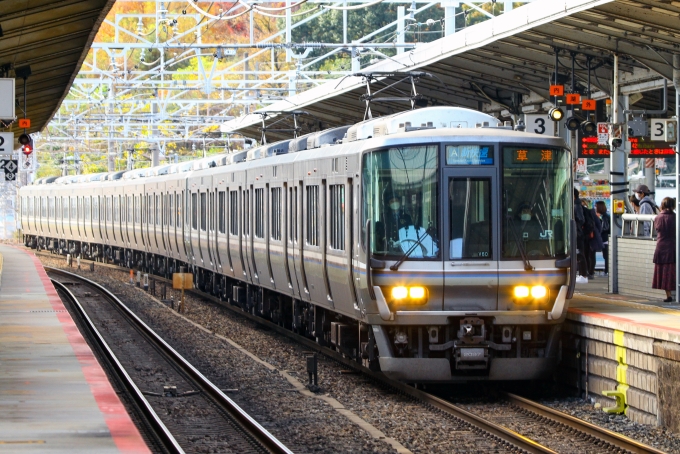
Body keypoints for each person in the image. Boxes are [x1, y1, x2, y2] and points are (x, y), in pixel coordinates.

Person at [652, 197, 676, 302]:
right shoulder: (676, 217)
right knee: (672, 271)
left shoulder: (658, 217)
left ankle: (669, 295)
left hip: (661, 246)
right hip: (673, 247)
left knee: (663, 272)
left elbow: (657, 229)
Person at [582, 199, 602, 279]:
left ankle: (589, 271)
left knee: (589, 255)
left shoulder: (590, 213)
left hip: (589, 237)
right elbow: (599, 225)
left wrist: (596, 233)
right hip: (588, 237)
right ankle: (588, 271)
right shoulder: (590, 213)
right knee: (588, 255)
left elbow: (598, 225)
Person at [574, 188, 588, 284]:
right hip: (577, 232)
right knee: (578, 254)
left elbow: (581, 219)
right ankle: (581, 274)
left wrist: (575, 224)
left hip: (578, 233)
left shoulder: (577, 205)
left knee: (580, 254)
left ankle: (583, 275)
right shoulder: (576, 205)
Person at [595, 201, 610, 275]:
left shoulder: (604, 217)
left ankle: (607, 270)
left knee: (606, 256)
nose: (595, 208)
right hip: (605, 238)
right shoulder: (604, 216)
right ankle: (606, 270)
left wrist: (598, 231)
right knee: (606, 256)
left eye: (596, 206)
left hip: (605, 239)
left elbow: (605, 228)